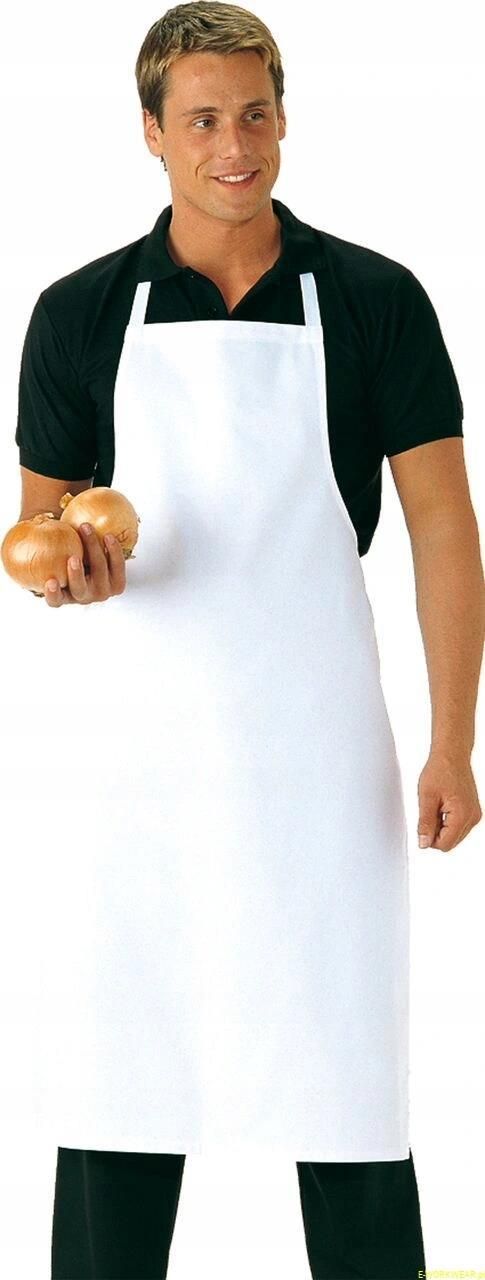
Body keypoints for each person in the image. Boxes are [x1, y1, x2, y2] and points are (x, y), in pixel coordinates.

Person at [13, 4, 483, 1278]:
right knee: (121, 1082)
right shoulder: (77, 312)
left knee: (347, 1085)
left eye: (255, 114)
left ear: (284, 118)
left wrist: (451, 740)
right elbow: (39, 533)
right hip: (136, 778)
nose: (236, 146)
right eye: (204, 120)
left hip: (317, 762)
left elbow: (442, 526)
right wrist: (70, 581)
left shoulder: (375, 299)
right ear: (150, 133)